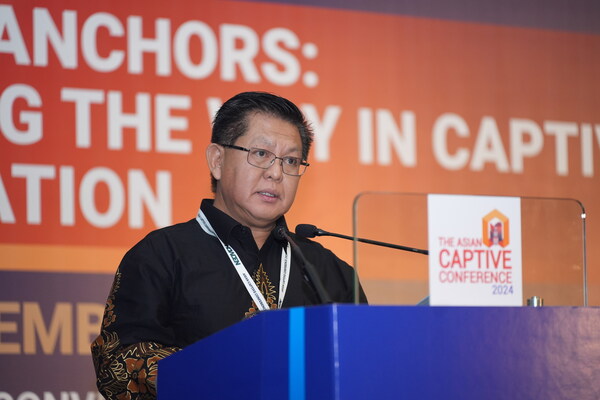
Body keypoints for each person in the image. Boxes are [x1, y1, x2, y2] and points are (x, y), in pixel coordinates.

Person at [91, 91, 366, 399]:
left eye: (290, 160)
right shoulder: (161, 255)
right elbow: (116, 365)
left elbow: (364, 368)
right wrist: (219, 370)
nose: (276, 173)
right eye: (260, 153)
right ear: (217, 161)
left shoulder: (329, 271)